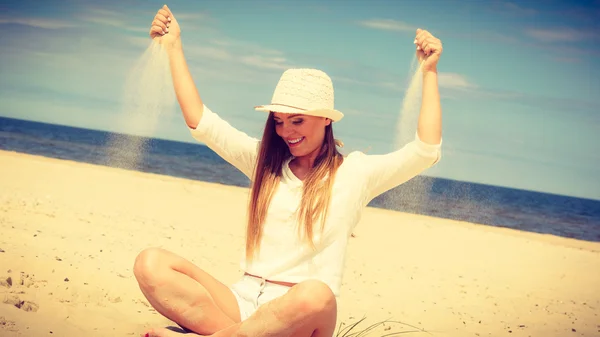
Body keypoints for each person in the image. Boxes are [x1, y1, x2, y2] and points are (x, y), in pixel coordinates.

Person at [134, 4, 443, 337]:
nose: (287, 132)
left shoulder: (356, 173)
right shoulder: (265, 164)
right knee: (150, 263)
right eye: (279, 121)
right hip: (242, 302)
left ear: (327, 119)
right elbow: (201, 122)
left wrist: (429, 72)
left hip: (300, 315)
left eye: (298, 120)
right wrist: (175, 46)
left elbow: (425, 151)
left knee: (316, 293)